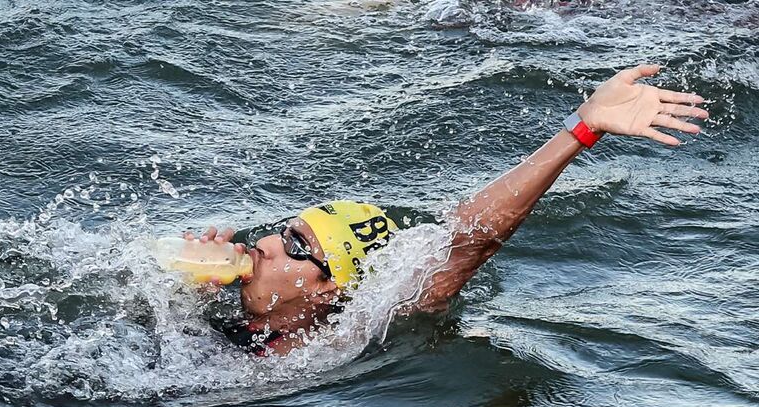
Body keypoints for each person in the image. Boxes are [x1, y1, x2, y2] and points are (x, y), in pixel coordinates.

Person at [186, 64, 709, 356]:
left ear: (331, 287)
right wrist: (175, 293)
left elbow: (470, 236)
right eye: (285, 231)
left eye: (299, 245)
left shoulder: (349, 336)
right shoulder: (209, 320)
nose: (269, 244)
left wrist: (582, 129)